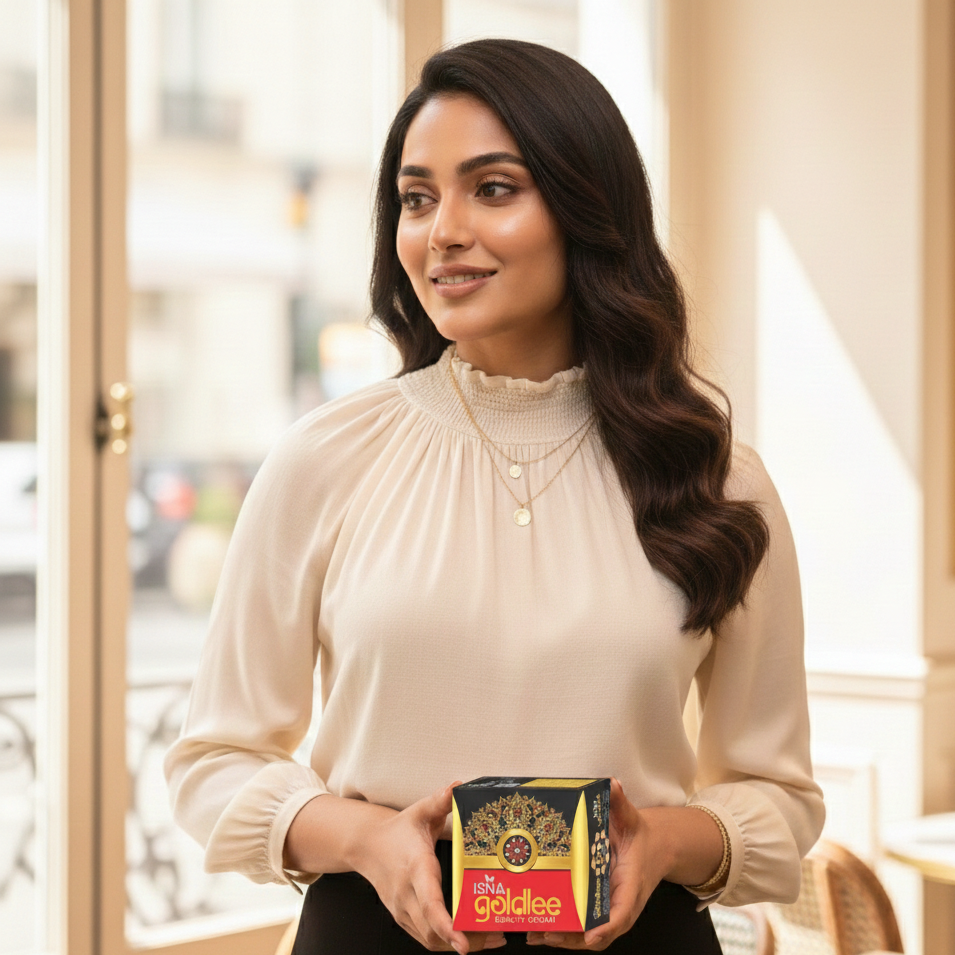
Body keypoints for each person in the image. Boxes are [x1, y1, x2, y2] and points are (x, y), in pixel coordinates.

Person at [165, 38, 825, 955]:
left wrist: (664, 838)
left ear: (586, 209)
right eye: (416, 198)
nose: (441, 231)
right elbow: (212, 762)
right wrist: (363, 836)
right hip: (374, 934)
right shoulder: (324, 459)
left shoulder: (715, 478)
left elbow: (779, 793)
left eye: (494, 188)